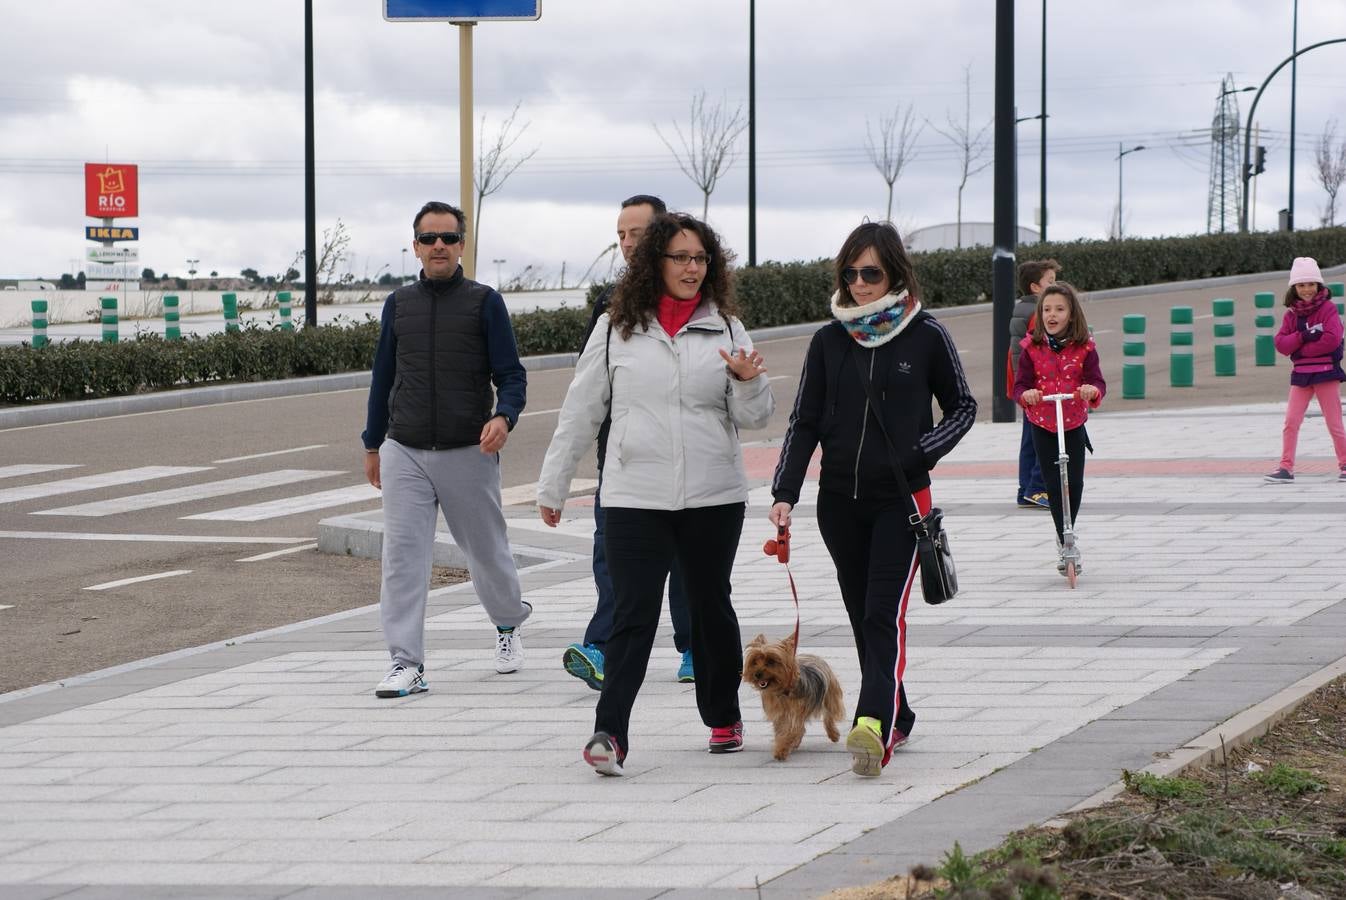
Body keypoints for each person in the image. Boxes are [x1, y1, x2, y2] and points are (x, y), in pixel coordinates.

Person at [537, 212, 774, 776]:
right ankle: (610, 732)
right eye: (680, 258)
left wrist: (747, 380)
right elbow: (581, 411)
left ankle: (723, 715)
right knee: (632, 613)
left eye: (701, 259)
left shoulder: (728, 329)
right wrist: (553, 483)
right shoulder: (614, 327)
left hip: (712, 495)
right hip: (633, 496)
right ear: (655, 264)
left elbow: (757, 418)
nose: (692, 269)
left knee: (710, 606)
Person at [770, 221, 976, 778]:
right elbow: (804, 420)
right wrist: (785, 492)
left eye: (872, 273)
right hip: (838, 503)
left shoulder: (925, 333)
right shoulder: (828, 339)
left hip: (900, 502)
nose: (860, 284)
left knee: (883, 615)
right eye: (851, 273)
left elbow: (963, 407)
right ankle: (899, 710)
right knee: (863, 618)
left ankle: (873, 726)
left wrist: (920, 452)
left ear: (895, 274)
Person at [361, 200, 532, 698]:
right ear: (415, 246)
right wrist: (373, 442)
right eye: (429, 238)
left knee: (486, 552)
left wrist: (504, 416)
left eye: (449, 238)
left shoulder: (485, 302)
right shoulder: (398, 304)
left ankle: (507, 624)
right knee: (403, 556)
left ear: (462, 245)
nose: (439, 246)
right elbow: (383, 379)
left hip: (468, 450)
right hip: (405, 449)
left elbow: (512, 375)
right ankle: (405, 663)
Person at [563, 194, 696, 691]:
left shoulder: (699, 300)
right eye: (620, 234)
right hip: (619, 461)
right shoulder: (610, 303)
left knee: (686, 562)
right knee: (611, 555)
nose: (625, 243)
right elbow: (588, 386)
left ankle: (694, 648)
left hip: (683, 465)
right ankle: (601, 647)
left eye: (635, 233)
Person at [1012, 281, 1106, 574]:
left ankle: (1068, 529)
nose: (1052, 315)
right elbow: (1021, 384)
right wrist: (1026, 395)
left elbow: (1097, 380)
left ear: (1071, 314)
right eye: (1047, 309)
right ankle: (1064, 537)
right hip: (1042, 421)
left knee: (1074, 482)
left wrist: (1091, 390)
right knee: (1053, 482)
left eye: (1059, 309)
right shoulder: (1031, 348)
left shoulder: (1085, 348)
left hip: (1073, 419)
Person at [1265, 257, 1346, 484]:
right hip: (1301, 376)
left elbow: (1332, 340)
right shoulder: (1291, 315)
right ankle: (1285, 468)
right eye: (1301, 285)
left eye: (1311, 284)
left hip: (1326, 373)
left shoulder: (1328, 309)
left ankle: (1345, 463)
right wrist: (1303, 336)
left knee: (1334, 423)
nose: (1307, 289)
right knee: (1291, 421)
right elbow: (1281, 343)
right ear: (1294, 288)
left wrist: (1299, 351)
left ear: (1319, 285)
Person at [1009, 259, 1060, 510]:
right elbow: (1034, 354)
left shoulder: (1023, 309)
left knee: (1030, 438)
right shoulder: (1037, 314)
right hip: (1037, 388)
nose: (1055, 285)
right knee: (1046, 436)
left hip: (1026, 387)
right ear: (1035, 288)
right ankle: (1038, 488)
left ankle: (1025, 489)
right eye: (1050, 282)